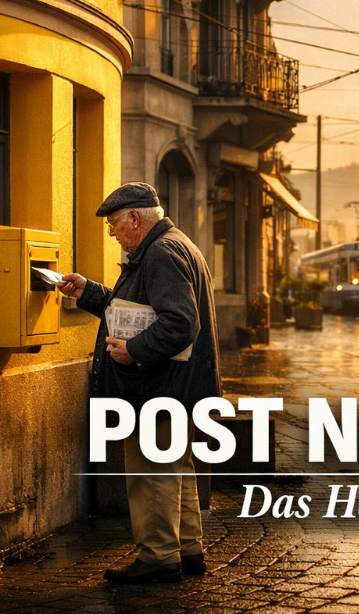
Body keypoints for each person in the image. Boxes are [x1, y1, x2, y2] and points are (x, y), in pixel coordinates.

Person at [58, 182, 221, 584]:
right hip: (180, 387)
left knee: (151, 474)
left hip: (160, 387)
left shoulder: (161, 253)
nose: (112, 232)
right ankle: (187, 550)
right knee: (175, 471)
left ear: (135, 217)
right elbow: (140, 308)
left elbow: (179, 322)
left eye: (114, 223)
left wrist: (135, 351)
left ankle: (158, 558)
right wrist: (90, 293)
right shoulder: (172, 245)